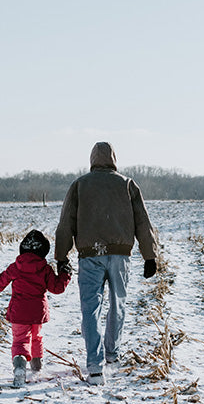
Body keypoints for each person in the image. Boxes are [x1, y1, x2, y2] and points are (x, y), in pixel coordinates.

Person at [55, 141, 159, 385]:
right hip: (120, 255)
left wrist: (61, 257)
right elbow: (143, 222)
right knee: (117, 304)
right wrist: (149, 255)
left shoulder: (79, 185)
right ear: (114, 158)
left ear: (92, 159)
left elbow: (66, 223)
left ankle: (94, 366)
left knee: (90, 309)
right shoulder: (127, 185)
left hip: (90, 255)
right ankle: (112, 355)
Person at [0, 229, 71, 387]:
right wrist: (65, 273)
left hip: (19, 311)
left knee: (20, 340)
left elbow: (1, 280)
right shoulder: (45, 269)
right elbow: (57, 288)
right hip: (37, 311)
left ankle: (19, 367)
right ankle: (37, 363)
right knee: (36, 336)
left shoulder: (16, 267)